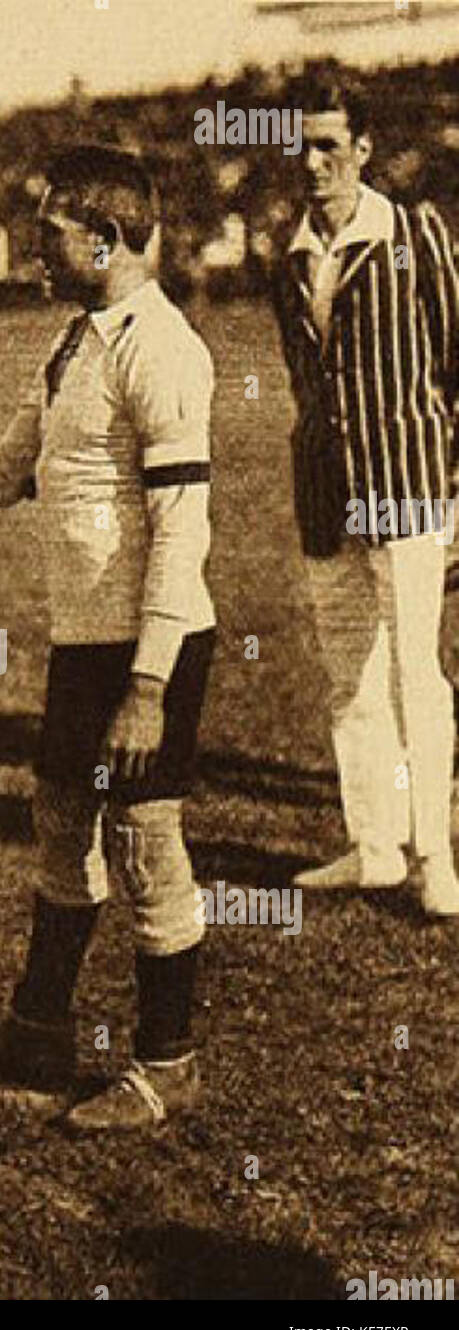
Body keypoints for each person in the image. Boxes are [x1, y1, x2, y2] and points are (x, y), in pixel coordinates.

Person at [0, 145, 216, 1132]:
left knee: (144, 839)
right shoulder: (75, 342)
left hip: (149, 647)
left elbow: (183, 529)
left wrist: (150, 684)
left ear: (109, 240)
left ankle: (168, 1063)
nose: (35, 255)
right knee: (61, 822)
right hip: (86, 643)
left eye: (50, 238)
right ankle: (39, 1025)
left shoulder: (162, 349)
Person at [272, 74, 459, 916]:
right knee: (348, 673)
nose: (313, 163)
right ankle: (372, 845)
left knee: (416, 673)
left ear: (362, 148)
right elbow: (304, 384)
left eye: (327, 145)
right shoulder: (288, 254)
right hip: (326, 490)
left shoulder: (413, 234)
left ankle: (434, 857)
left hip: (409, 483)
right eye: (301, 147)